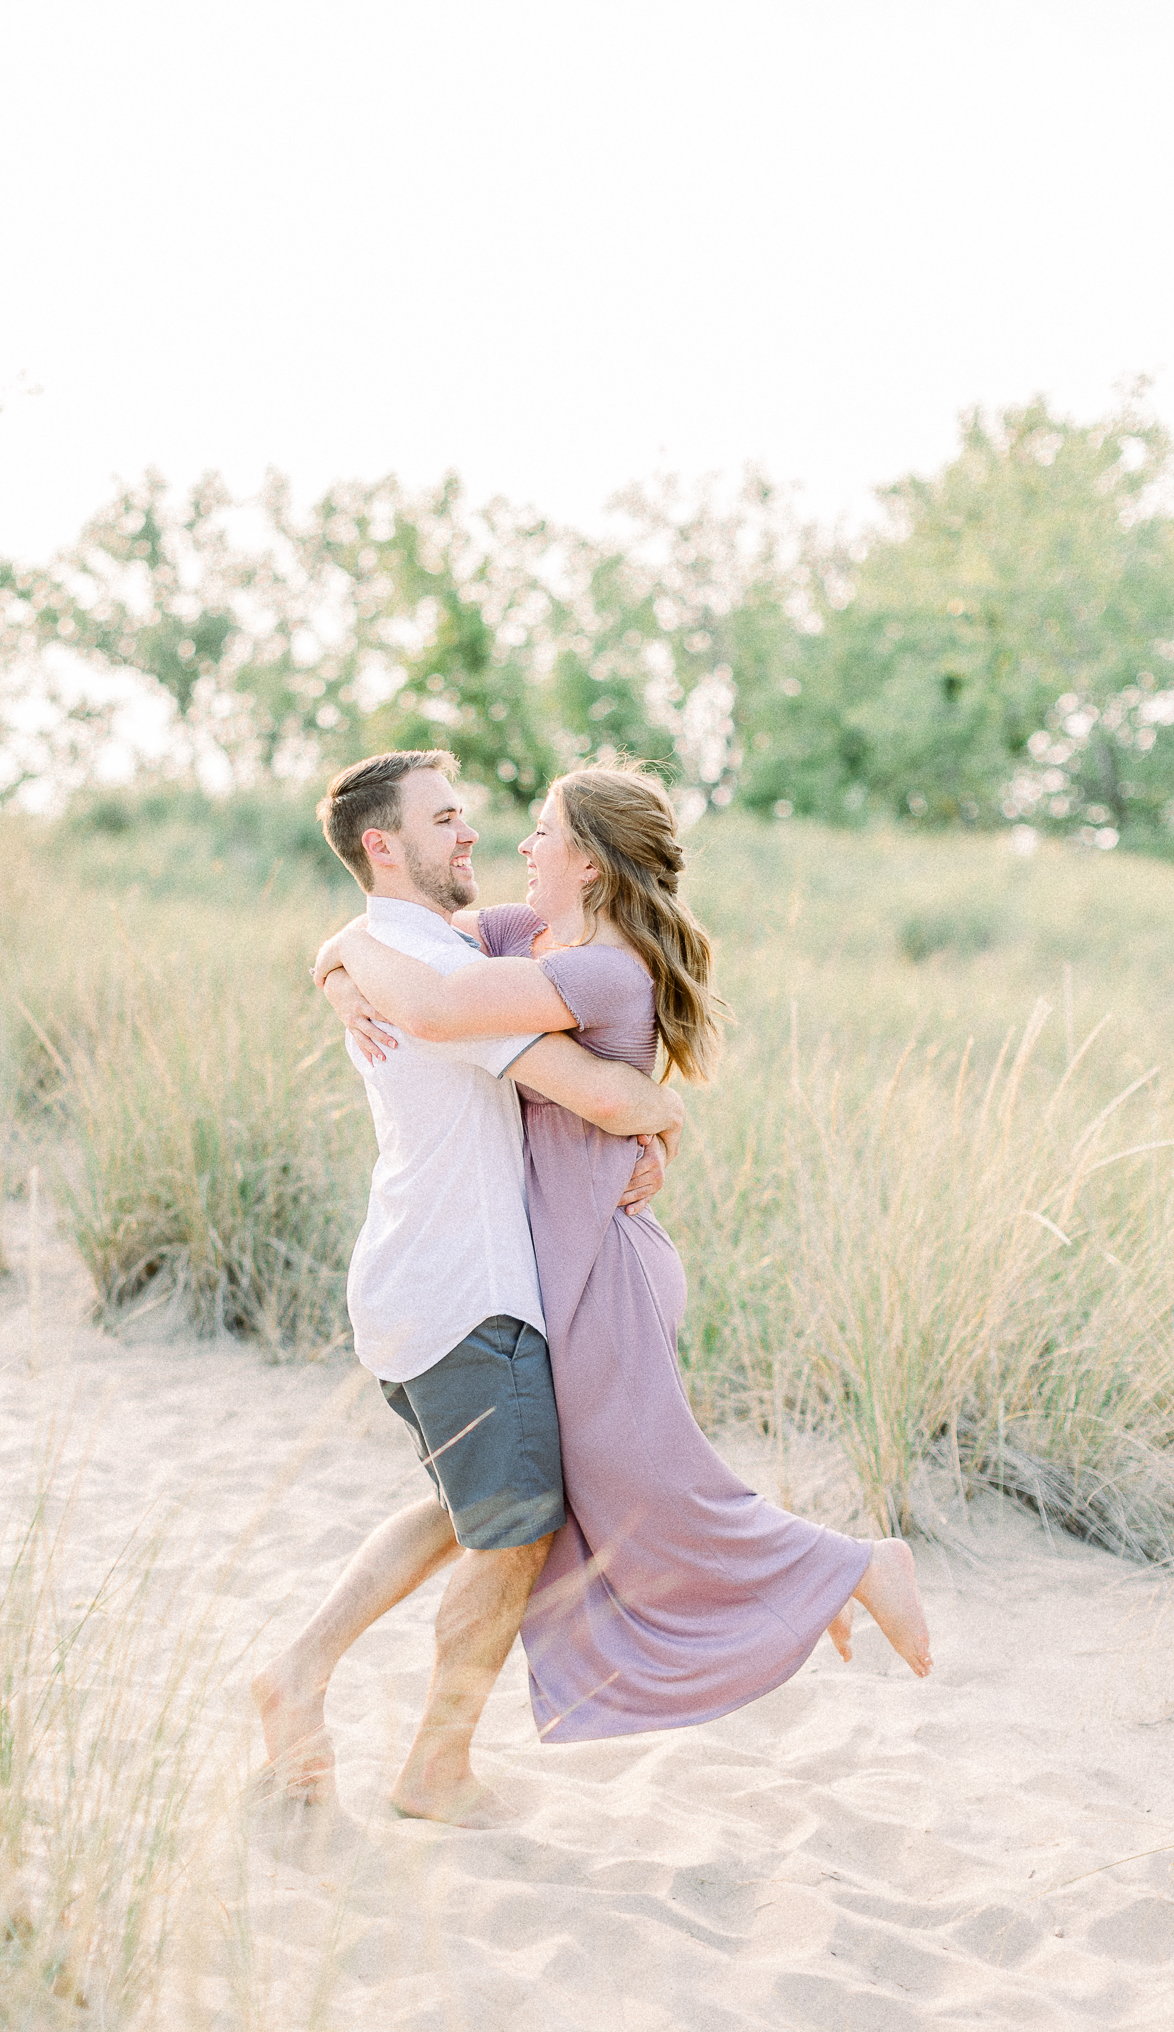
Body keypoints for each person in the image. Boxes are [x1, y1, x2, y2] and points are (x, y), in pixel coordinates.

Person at [313, 762, 932, 1751]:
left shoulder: (601, 970)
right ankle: (811, 1582)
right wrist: (339, 963)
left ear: (590, 863)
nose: (519, 843)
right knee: (567, 1494)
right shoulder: (529, 936)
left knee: (649, 1481)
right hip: (552, 1264)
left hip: (600, 1262)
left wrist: (347, 945)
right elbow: (420, 954)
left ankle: (852, 1563)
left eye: (545, 831)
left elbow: (434, 1004)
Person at [251, 750, 685, 1828]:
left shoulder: (420, 949)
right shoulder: (438, 982)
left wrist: (336, 959)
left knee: (473, 1508)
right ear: (382, 846)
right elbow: (598, 1090)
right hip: (461, 1293)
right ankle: (428, 1762)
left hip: (433, 1280)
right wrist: (665, 1116)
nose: (471, 835)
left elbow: (351, 943)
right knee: (516, 1526)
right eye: (444, 820)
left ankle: (299, 1674)